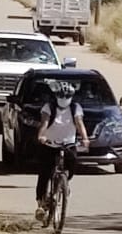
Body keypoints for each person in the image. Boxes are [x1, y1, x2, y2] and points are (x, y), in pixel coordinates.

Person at [34, 81, 89, 221]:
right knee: (44, 173)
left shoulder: (75, 108)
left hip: (68, 143)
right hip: (50, 143)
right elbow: (44, 123)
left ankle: (64, 184)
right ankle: (41, 202)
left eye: (67, 95)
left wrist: (85, 139)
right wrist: (41, 136)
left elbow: (79, 123)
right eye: (61, 95)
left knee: (73, 162)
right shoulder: (49, 107)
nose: (64, 98)